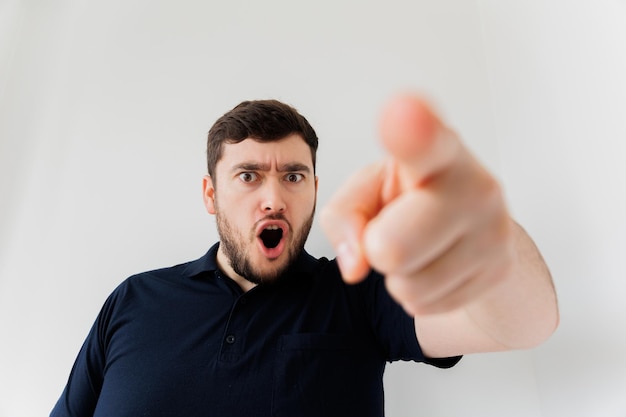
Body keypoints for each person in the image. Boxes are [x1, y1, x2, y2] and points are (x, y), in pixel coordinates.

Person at [50, 95, 559, 417]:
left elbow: (527, 323)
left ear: (314, 189)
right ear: (211, 195)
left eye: (293, 177)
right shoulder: (135, 300)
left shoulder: (359, 292)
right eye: (248, 176)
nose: (273, 198)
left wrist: (481, 226)